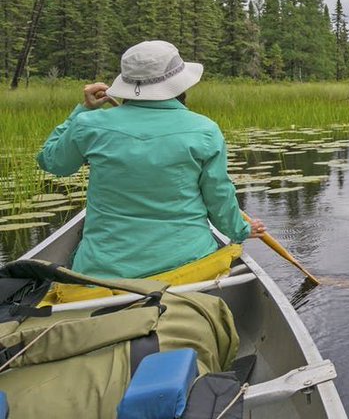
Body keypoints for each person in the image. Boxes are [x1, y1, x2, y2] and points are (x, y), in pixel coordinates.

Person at [36, 40, 266, 279]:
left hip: (102, 269)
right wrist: (241, 230)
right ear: (179, 84)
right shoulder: (205, 131)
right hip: (187, 266)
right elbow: (218, 198)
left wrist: (84, 110)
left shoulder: (90, 125)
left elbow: (51, 162)